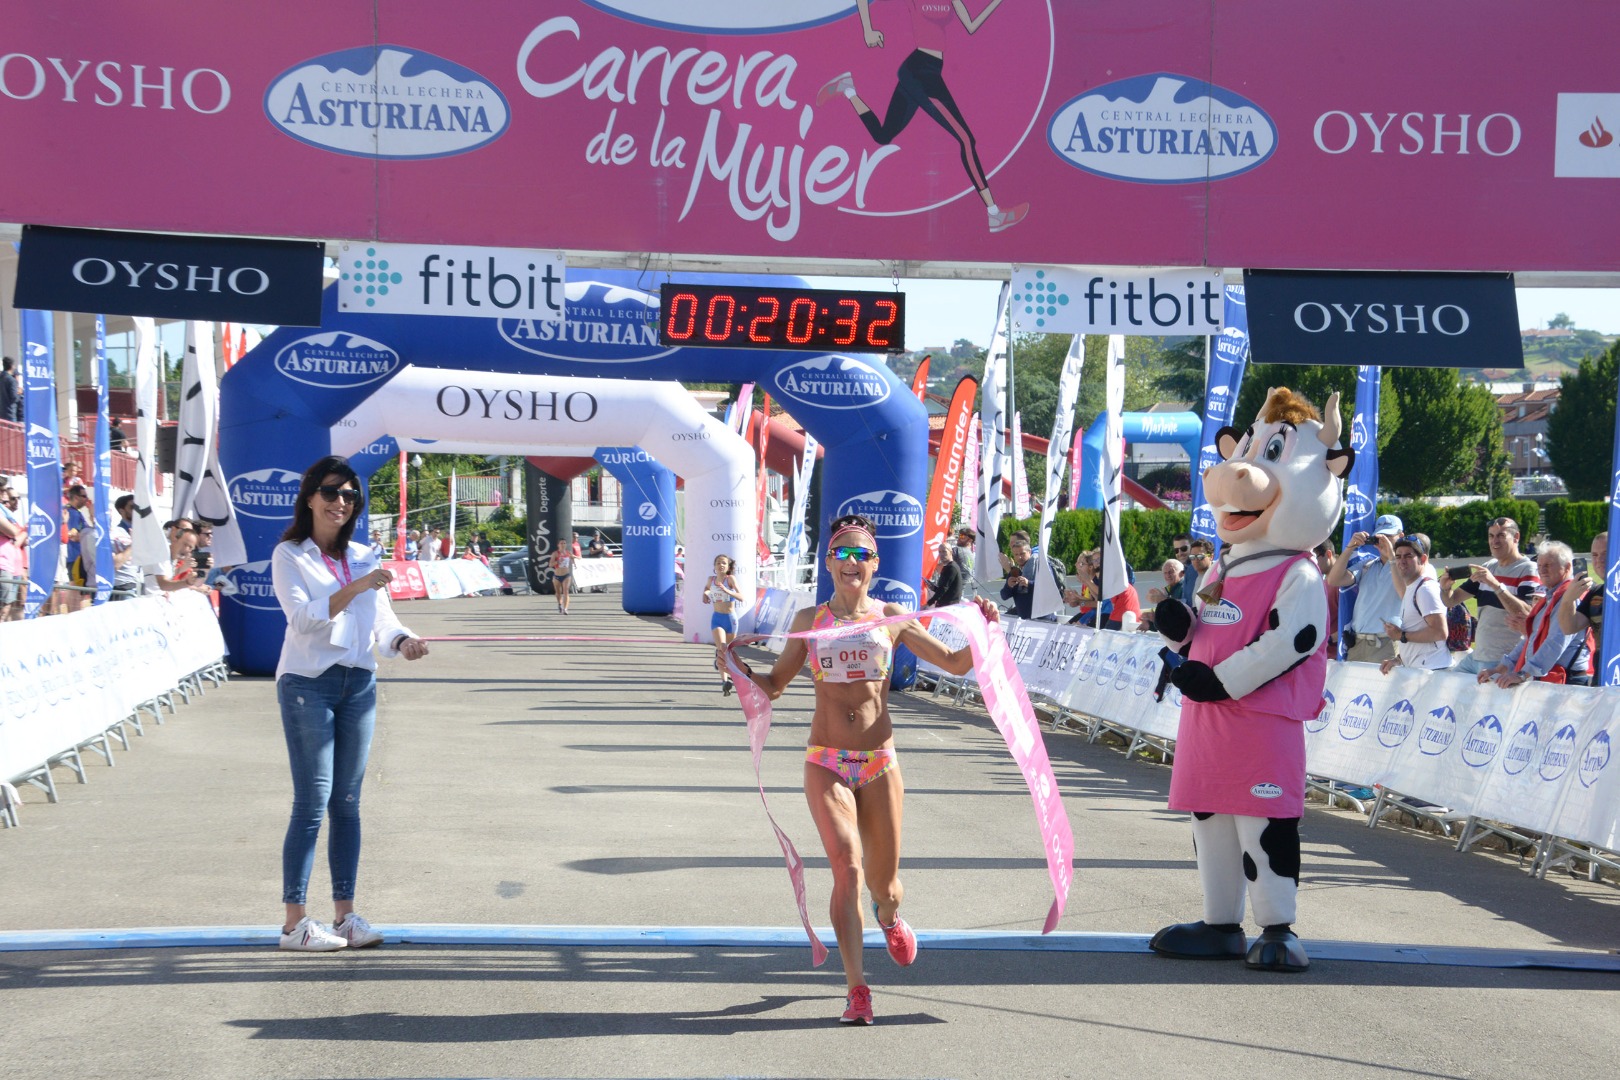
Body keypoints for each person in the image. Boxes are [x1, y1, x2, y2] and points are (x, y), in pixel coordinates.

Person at [741, 513, 999, 1024]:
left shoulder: (892, 616)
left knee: (883, 885)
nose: (852, 562)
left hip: (880, 763)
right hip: (827, 761)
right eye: (844, 553)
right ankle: (857, 988)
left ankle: (890, 915)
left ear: (875, 564)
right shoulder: (809, 622)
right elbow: (774, 685)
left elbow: (953, 662)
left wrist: (987, 628)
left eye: (863, 555)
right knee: (846, 866)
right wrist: (736, 666)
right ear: (830, 563)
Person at [271, 455, 427, 952]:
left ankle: (345, 917)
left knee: (348, 804)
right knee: (313, 801)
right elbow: (303, 620)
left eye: (350, 495)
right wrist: (355, 586)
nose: (341, 502)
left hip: (358, 683)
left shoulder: (363, 552)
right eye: (333, 492)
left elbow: (382, 620)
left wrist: (403, 642)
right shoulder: (290, 555)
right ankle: (295, 924)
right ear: (311, 497)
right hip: (308, 682)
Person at [817, 0, 1026, 234]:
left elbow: (971, 25)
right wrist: (868, 29)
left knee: (883, 135)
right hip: (919, 71)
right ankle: (994, 214)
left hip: (928, 70)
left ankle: (848, 89)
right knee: (966, 140)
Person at [1440, 516, 1541, 675]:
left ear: (1516, 537)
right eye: (1491, 536)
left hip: (1502, 660)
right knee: (1449, 688)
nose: (1495, 541)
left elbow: (1526, 613)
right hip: (1477, 656)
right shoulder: (1488, 567)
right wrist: (1446, 589)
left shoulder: (1528, 569)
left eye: (1501, 535)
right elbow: (1451, 601)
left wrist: (1495, 585)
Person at [1477, 541, 1585, 688]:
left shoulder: (1568, 597)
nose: (1542, 571)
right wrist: (1500, 669)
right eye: (1539, 566)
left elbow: (1555, 642)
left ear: (1567, 568)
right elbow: (1531, 639)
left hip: (1568, 683)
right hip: (1553, 680)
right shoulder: (1551, 597)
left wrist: (1522, 674)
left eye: (1548, 565)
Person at [1324, 513, 1405, 664]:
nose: (1383, 542)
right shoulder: (1367, 565)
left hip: (1386, 643)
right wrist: (1350, 548)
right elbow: (1333, 580)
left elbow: (1405, 594)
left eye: (1389, 536)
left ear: (1401, 536)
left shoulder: (1405, 567)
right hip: (1358, 642)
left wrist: (1393, 556)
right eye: (1379, 538)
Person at [1379, 535, 1452, 674]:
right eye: (1398, 556)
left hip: (1432, 672)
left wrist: (1401, 635)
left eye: (1408, 556)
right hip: (1421, 670)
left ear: (1422, 559)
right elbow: (1418, 628)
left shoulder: (1425, 590)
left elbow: (1440, 632)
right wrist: (1399, 659)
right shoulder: (1413, 587)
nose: (1402, 561)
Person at [704, 554, 745, 694]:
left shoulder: (730, 579)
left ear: (728, 567)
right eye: (718, 563)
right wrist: (705, 594)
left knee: (728, 651)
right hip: (717, 618)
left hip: (730, 619)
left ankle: (719, 661)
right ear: (714, 566)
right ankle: (725, 681)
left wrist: (726, 590)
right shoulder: (711, 579)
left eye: (724, 563)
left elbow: (741, 597)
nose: (721, 565)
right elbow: (706, 588)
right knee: (722, 648)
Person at [1557, 531, 1606, 645]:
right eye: (1595, 555)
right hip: (1602, 662)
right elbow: (1569, 627)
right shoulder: (1596, 593)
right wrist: (1568, 600)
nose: (1600, 560)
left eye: (1606, 553)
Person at [999, 533, 1062, 619]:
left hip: (1044, 619)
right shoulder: (1015, 571)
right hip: (1025, 621)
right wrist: (1009, 586)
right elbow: (1004, 596)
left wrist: (1029, 584)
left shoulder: (1040, 565)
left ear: (1030, 552)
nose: (1019, 557)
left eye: (1022, 554)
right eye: (1016, 555)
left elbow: (1049, 588)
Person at [0, 482, 26, 620]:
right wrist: (23, 531)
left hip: (11, 566)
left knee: (8, 608)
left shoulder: (6, 514)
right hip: (2, 564)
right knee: (4, 608)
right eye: (2, 491)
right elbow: (13, 531)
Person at [1314, 541, 1339, 654]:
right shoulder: (1321, 581)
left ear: (1328, 554)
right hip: (1324, 655)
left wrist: (1330, 638)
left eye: (1315, 558)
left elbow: (1352, 620)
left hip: (1338, 657)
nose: (1312, 563)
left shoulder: (1344, 583)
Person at [925, 539, 964, 607]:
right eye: (940, 552)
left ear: (951, 552)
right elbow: (945, 589)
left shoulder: (952, 567)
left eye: (944, 551)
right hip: (945, 605)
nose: (941, 554)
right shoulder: (948, 567)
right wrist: (933, 588)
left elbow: (944, 588)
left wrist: (929, 603)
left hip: (948, 607)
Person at [550, 543, 574, 614]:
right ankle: (560, 604)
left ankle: (565, 608)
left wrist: (573, 559)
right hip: (557, 575)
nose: (563, 544)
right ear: (558, 545)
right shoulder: (555, 553)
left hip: (566, 575)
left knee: (566, 591)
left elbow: (572, 561)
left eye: (564, 543)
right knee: (558, 592)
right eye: (561, 543)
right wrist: (557, 562)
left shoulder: (568, 552)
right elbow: (550, 564)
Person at [1, 356, 20, 423]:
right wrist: (19, 393)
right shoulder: (12, 380)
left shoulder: (1, 378)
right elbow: (14, 398)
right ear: (11, 366)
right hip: (9, 413)